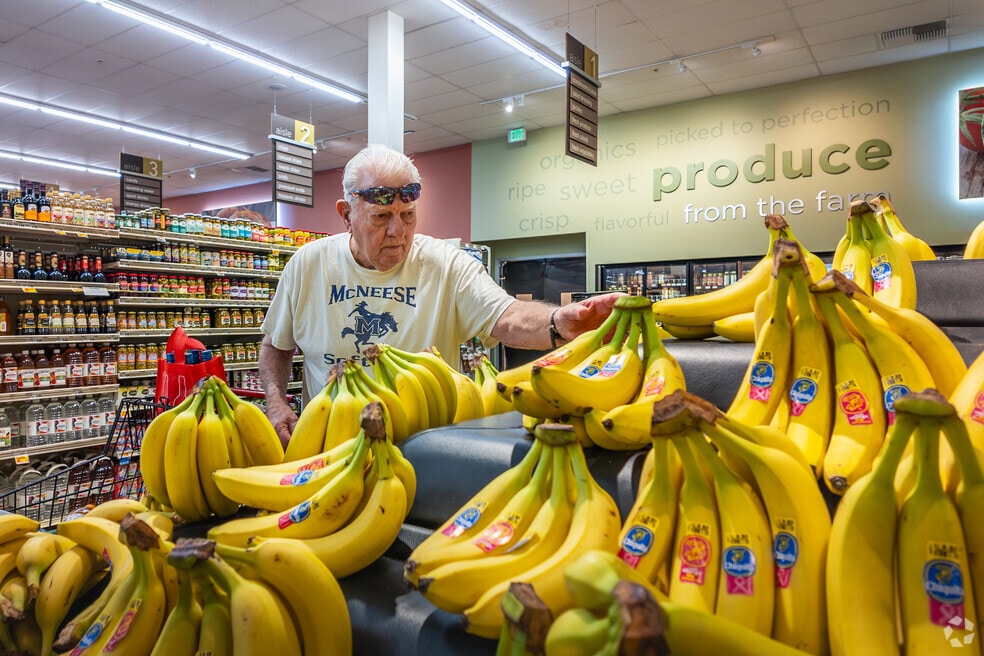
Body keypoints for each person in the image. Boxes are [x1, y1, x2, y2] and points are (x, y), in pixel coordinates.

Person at [259, 143, 623, 447]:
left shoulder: (446, 265)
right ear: (346, 215)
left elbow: (506, 317)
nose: (397, 231)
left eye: (408, 214)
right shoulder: (308, 265)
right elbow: (276, 343)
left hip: (427, 450)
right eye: (381, 216)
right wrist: (275, 403)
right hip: (328, 445)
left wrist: (558, 321)